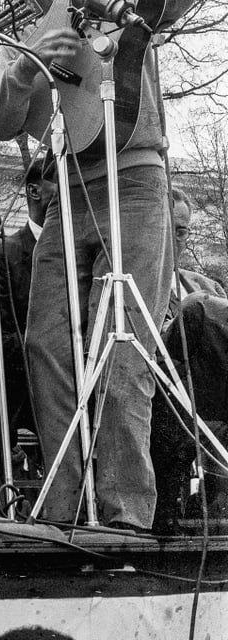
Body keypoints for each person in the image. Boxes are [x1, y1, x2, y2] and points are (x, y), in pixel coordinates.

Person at [0, 0, 210, 531]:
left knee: (124, 342)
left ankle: (123, 515)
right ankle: (62, 510)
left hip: (136, 179)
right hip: (67, 192)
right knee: (46, 343)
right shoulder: (18, 35)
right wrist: (24, 69)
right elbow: (2, 125)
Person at [0, 160, 54, 480]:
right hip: (20, 407)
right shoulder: (0, 257)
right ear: (34, 190)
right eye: (61, 182)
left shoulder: (84, 258)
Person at [151, 187, 228, 531]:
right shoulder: (132, 285)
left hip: (212, 408)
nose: (177, 240)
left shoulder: (207, 286)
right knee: (199, 308)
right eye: (169, 229)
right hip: (163, 405)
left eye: (182, 231)